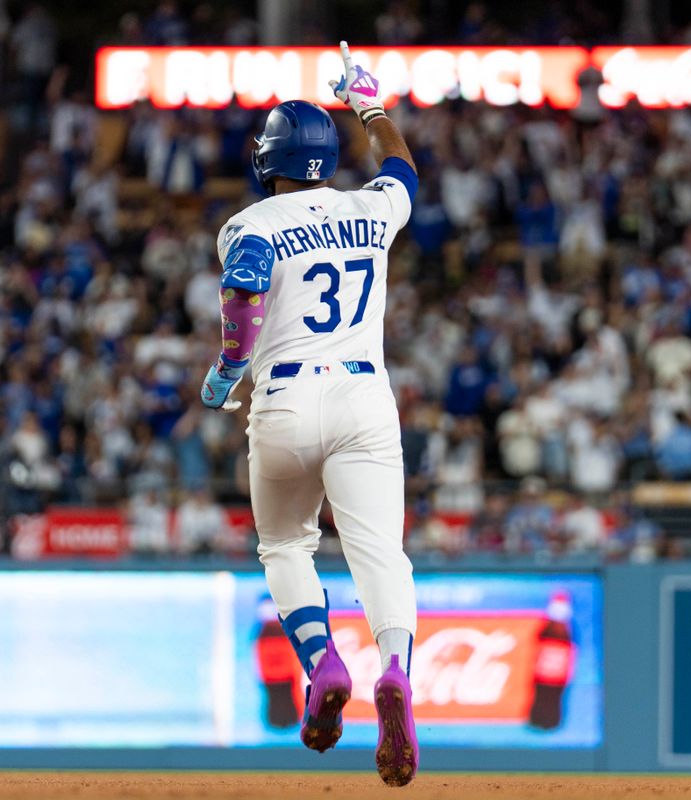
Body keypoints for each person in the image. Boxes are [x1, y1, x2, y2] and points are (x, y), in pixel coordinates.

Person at [198, 42, 419, 786]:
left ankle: (323, 663)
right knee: (379, 554)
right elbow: (403, 171)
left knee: (286, 546)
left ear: (269, 160)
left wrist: (229, 367)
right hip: (363, 395)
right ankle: (395, 669)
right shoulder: (370, 208)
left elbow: (243, 290)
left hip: (284, 398)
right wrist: (371, 106)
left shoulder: (250, 223)